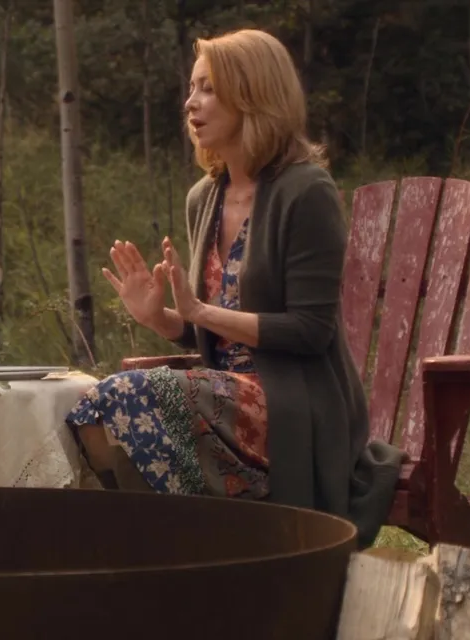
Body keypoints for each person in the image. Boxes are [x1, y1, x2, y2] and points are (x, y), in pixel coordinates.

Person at [69, 29, 401, 545]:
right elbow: (213, 330)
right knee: (90, 414)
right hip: (224, 392)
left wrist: (199, 311)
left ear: (252, 96)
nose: (190, 102)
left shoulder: (305, 191)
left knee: (127, 394)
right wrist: (160, 318)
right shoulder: (205, 197)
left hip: (294, 402)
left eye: (208, 88)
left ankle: (197, 550)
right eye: (191, 87)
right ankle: (178, 550)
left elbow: (310, 331)